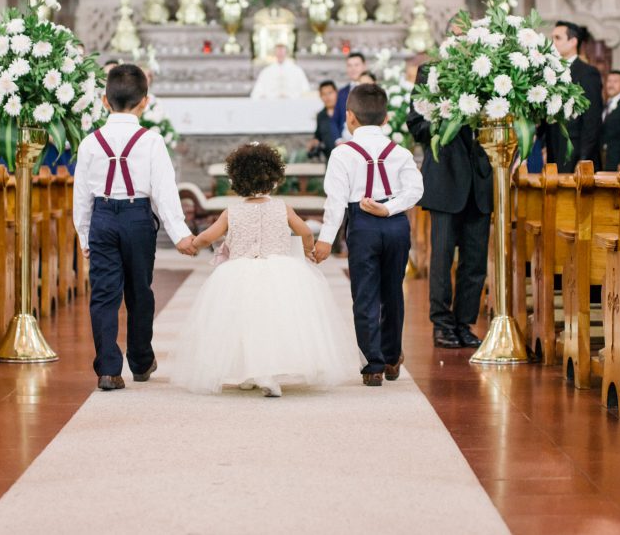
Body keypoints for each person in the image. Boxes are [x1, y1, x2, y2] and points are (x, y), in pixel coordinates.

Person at [171, 143, 359, 397]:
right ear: (274, 179)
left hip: (239, 273)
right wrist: (307, 250)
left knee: (242, 322)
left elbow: (207, 236)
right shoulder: (283, 207)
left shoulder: (231, 211)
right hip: (280, 272)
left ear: (236, 181)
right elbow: (304, 230)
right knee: (275, 321)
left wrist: (192, 244)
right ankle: (260, 373)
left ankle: (259, 373)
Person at [73, 64, 196, 392]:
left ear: (103, 100)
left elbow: (81, 195)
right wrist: (180, 233)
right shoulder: (151, 141)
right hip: (137, 218)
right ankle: (141, 361)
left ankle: (109, 370)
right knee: (140, 291)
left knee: (103, 294)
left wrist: (84, 234)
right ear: (144, 101)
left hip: (102, 217)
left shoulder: (90, 142)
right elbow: (164, 190)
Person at [313, 84, 423, 386]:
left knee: (364, 294)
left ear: (350, 117)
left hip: (362, 224)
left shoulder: (342, 154)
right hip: (397, 224)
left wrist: (325, 240)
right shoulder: (399, 152)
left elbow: (335, 201)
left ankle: (373, 365)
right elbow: (416, 189)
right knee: (392, 291)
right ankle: (391, 357)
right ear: (386, 118)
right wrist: (389, 209)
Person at [407, 78, 493, 349]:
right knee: (442, 258)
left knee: (476, 260)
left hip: (480, 179)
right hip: (446, 178)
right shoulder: (433, 72)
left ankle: (464, 323)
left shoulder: (490, 64)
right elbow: (415, 123)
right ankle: (442, 324)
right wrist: (443, 123)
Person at [544, 21, 603, 172]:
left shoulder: (587, 73)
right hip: (554, 152)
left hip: (576, 153)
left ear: (573, 42)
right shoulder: (550, 72)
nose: (552, 42)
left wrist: (584, 159)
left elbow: (592, 119)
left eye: (557, 38)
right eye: (552, 38)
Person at [331, 52, 367, 144]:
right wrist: (338, 140)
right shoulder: (342, 93)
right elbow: (335, 120)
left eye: (356, 65)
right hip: (345, 141)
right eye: (349, 66)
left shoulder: (374, 90)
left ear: (364, 66)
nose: (353, 69)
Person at [309, 80, 338, 160]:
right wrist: (314, 141)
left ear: (336, 92)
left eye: (330, 93)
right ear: (320, 96)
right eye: (324, 94)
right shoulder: (320, 116)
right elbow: (318, 135)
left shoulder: (346, 113)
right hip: (330, 159)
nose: (327, 97)